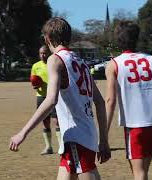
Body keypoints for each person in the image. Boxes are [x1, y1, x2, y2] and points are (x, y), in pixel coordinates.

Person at [9, 17, 111, 180]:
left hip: (76, 136)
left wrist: (23, 132)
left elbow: (51, 100)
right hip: (86, 134)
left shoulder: (55, 60)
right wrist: (104, 141)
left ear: (47, 38)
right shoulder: (82, 62)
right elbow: (99, 102)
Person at [105, 20, 152, 180]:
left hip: (134, 126)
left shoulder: (114, 64)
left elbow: (110, 100)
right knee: (142, 172)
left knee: (139, 174)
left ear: (118, 40)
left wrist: (104, 133)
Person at [31, 45, 61, 155]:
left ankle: (61, 147)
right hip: (41, 97)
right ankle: (48, 147)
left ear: (49, 53)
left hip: (54, 96)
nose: (43, 55)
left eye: (45, 53)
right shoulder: (35, 66)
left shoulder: (53, 64)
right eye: (41, 53)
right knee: (45, 122)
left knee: (57, 122)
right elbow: (33, 80)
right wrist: (35, 85)